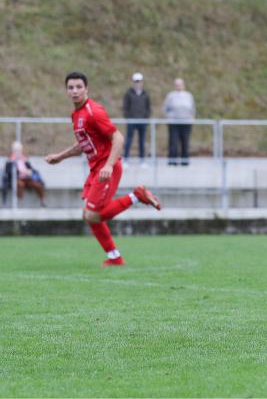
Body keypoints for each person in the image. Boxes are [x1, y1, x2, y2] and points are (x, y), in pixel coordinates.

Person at [44, 72, 161, 266]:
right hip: (96, 169)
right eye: (71, 87)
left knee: (93, 214)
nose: (74, 91)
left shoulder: (93, 112)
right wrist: (60, 156)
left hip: (107, 168)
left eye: (78, 87)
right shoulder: (77, 114)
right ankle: (114, 257)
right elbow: (84, 144)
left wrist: (108, 165)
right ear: (66, 91)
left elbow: (118, 138)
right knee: (88, 215)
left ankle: (137, 195)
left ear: (86, 89)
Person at [163, 78, 195, 166]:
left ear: (183, 85)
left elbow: (193, 109)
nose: (178, 86)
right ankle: (172, 161)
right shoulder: (171, 96)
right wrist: (169, 117)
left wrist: (191, 118)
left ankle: (184, 161)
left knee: (185, 142)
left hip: (186, 123)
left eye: (180, 84)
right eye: (177, 85)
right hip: (174, 123)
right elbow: (165, 108)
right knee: (173, 142)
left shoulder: (188, 95)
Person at [3, 141, 45, 207]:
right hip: (17, 179)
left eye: (19, 150)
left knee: (38, 185)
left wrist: (30, 171)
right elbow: (8, 172)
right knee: (20, 185)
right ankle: (20, 202)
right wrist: (18, 172)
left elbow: (31, 169)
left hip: (28, 178)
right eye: (16, 150)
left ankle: (42, 200)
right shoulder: (10, 160)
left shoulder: (24, 159)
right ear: (13, 150)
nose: (18, 152)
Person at [123, 72, 151, 168]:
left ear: (142, 82)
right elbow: (125, 107)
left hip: (142, 121)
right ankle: (125, 159)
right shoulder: (128, 93)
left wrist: (146, 117)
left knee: (142, 141)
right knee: (129, 140)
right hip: (131, 121)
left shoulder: (145, 94)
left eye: (139, 81)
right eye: (136, 81)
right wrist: (128, 117)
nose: (137, 83)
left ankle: (142, 160)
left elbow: (148, 107)